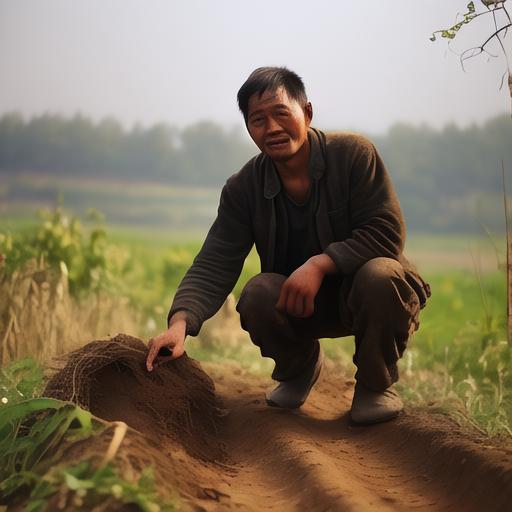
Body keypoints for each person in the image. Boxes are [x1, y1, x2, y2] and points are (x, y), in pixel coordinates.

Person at [146, 67, 431, 424]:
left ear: (307, 113)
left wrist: (320, 264)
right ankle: (300, 368)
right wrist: (180, 323)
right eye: (258, 120)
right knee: (257, 294)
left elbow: (387, 231)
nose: (273, 128)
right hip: (299, 305)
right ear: (249, 128)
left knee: (382, 275)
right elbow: (214, 261)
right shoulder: (243, 188)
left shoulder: (354, 154)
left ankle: (375, 385)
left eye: (282, 113)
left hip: (365, 295)